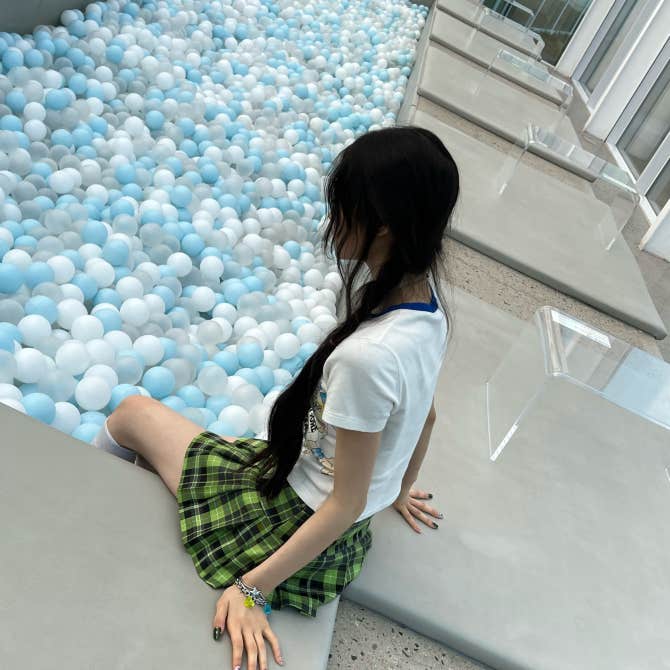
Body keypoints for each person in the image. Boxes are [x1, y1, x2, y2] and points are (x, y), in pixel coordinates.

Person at [92, 124, 459, 670]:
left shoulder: (369, 357)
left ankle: (86, 491)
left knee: (131, 413)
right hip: (338, 534)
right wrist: (397, 489)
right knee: (161, 452)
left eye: (343, 207)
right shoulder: (429, 309)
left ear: (383, 224)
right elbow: (425, 417)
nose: (332, 220)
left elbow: (343, 503)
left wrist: (252, 589)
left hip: (286, 523)